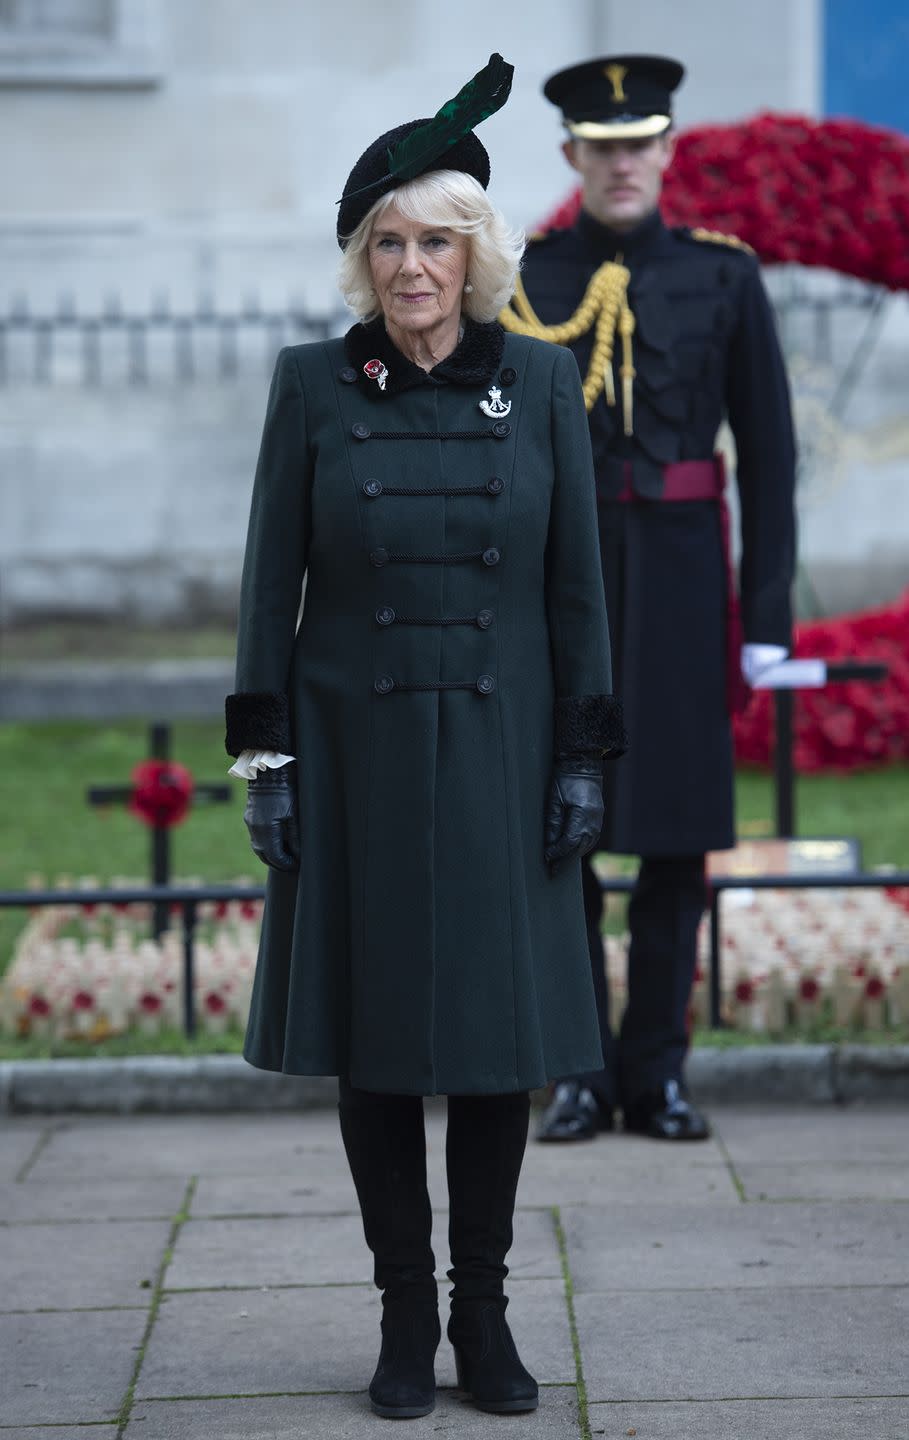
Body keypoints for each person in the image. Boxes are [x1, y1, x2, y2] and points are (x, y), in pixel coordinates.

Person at [224, 55, 625, 1420]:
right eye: (387, 243)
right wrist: (265, 759)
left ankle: (486, 1316)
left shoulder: (543, 388)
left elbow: (578, 593)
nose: (411, 267)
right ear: (364, 261)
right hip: (353, 757)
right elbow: (267, 579)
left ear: (477, 253)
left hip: (508, 757)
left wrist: (585, 756)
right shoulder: (310, 388)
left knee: (497, 1046)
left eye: (434, 241)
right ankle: (404, 1319)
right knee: (381, 1042)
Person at [500, 55, 796, 1144]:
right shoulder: (523, 279)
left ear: (666, 152)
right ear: (572, 155)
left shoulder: (726, 279)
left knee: (676, 842)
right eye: (601, 145)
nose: (623, 163)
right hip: (557, 588)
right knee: (559, 835)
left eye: (641, 144)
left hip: (679, 578)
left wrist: (765, 620)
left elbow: (770, 458)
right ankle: (577, 1073)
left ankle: (658, 1075)